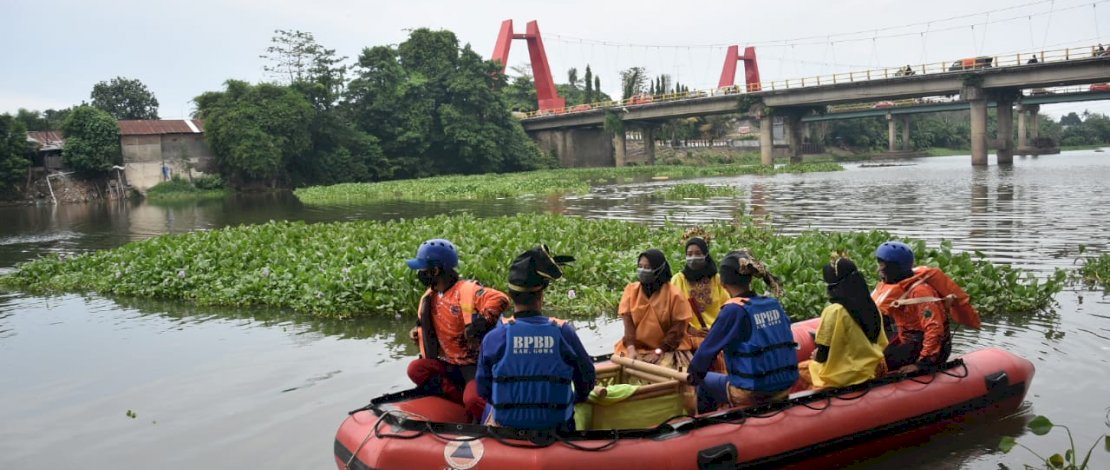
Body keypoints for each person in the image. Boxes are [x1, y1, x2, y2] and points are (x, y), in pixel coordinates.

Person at [476, 245, 595, 430]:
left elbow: (483, 389)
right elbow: (586, 380)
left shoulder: (494, 337)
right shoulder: (564, 332)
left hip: (508, 430)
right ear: (541, 295)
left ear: (511, 296)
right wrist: (575, 399)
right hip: (557, 429)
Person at [405, 238, 510, 421]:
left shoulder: (466, 291)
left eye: (423, 269)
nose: (420, 273)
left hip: (472, 365)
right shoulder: (430, 296)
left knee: (473, 399)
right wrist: (418, 333)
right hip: (449, 363)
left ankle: (492, 418)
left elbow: (500, 299)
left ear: (435, 270)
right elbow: (433, 325)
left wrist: (483, 321)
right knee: (416, 369)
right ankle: (459, 401)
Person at [687, 250, 799, 413]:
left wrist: (691, 377)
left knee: (704, 380)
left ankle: (705, 427)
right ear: (750, 278)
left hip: (753, 392)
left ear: (723, 283)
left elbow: (704, 355)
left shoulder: (733, 310)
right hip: (784, 386)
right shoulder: (772, 303)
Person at [796, 256, 888, 390]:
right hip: (871, 369)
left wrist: (816, 355)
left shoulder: (834, 311)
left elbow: (822, 356)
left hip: (844, 377)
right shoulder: (872, 307)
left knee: (799, 370)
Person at [871, 241, 951, 374]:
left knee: (879, 366)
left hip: (928, 348)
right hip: (907, 337)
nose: (879, 271)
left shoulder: (920, 292)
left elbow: (934, 329)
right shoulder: (896, 287)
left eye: (882, 266)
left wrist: (921, 364)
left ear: (894, 268)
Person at [614, 249, 695, 371]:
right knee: (624, 369)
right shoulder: (631, 290)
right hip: (636, 346)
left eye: (647, 267)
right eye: (640, 266)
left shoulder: (674, 294)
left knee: (665, 371)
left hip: (667, 347)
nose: (642, 271)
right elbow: (628, 323)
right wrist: (631, 348)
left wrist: (659, 351)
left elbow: (677, 329)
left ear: (659, 269)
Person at [671, 234, 729, 337]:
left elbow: (727, 307)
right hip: (687, 333)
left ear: (706, 255)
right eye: (689, 254)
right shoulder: (678, 279)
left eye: (698, 253)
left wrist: (717, 330)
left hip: (716, 332)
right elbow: (672, 312)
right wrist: (691, 330)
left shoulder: (717, 279)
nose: (693, 258)